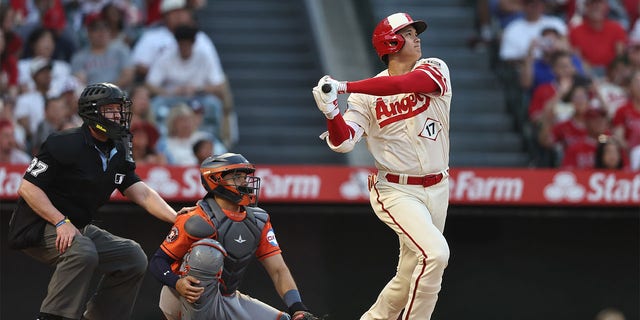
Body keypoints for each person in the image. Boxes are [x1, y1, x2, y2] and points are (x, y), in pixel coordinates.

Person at [311, 12, 451, 320]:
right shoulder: (365, 96)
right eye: (410, 33)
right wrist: (332, 112)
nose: (418, 38)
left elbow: (404, 83)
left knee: (410, 273)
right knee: (436, 254)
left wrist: (345, 86)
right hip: (397, 190)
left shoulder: (435, 68)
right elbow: (344, 141)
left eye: (415, 33)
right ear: (392, 41)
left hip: (438, 186)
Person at [7, 82, 178, 320]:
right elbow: (27, 187)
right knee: (82, 251)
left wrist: (176, 218)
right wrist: (60, 222)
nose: (118, 115)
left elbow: (141, 192)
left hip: (77, 227)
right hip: (37, 226)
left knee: (132, 257)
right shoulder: (63, 142)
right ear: (93, 112)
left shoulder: (118, 147)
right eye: (111, 109)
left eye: (120, 109)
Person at [148, 153, 319, 320]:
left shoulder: (259, 220)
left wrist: (297, 308)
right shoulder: (196, 218)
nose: (245, 182)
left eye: (245, 177)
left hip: (226, 297)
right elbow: (158, 261)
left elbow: (278, 270)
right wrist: (176, 282)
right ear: (214, 180)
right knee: (207, 251)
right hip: (183, 295)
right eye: (237, 177)